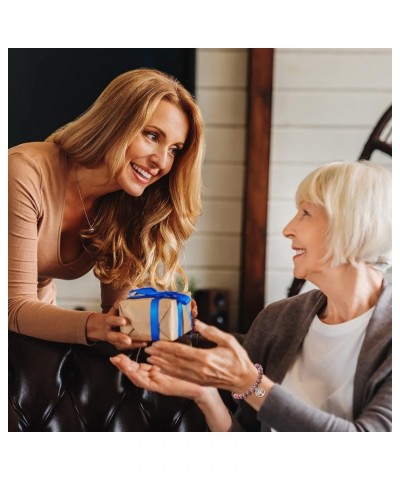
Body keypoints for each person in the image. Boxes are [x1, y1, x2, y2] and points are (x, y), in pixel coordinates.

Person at [111, 160, 392, 431]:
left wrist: (250, 385)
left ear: (352, 224)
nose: (288, 229)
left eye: (305, 213)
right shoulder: (277, 320)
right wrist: (204, 395)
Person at [8, 68, 204, 350]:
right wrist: (96, 327)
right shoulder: (22, 173)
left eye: (174, 149)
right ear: (115, 123)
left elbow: (119, 310)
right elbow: (12, 305)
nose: (162, 161)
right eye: (151, 136)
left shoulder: (127, 204)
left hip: (30, 333)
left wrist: (158, 317)